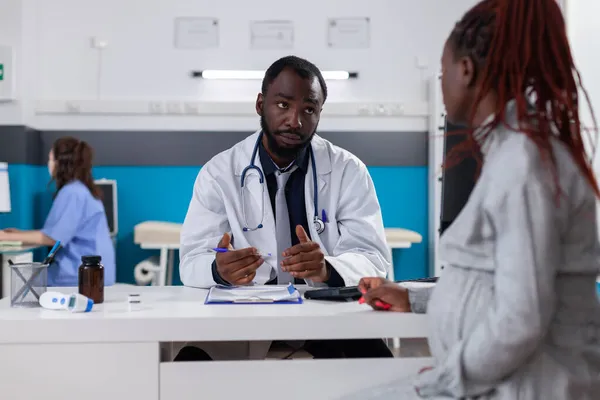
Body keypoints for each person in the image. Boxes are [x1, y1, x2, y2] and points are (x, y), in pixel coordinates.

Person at [352, 0, 600, 398]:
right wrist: (414, 297)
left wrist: (447, 379)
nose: (441, 84)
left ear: (465, 71)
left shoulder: (525, 162)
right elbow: (496, 287)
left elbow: (521, 318)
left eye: (441, 73)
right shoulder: (514, 154)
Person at [177, 55, 393, 360]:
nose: (295, 120)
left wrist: (326, 268)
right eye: (283, 105)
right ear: (260, 104)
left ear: (320, 114)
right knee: (189, 364)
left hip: (325, 319)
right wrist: (218, 269)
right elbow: (191, 261)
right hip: (243, 321)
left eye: (309, 109)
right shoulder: (219, 173)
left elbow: (374, 259)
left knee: (378, 363)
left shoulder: (348, 170)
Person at [0, 137, 116, 287]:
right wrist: (17, 235)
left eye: (50, 159)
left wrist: (5, 236)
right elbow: (57, 233)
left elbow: (54, 238)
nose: (49, 164)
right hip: (95, 273)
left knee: (20, 285)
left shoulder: (72, 193)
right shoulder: (84, 190)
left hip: (79, 274)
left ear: (61, 163)